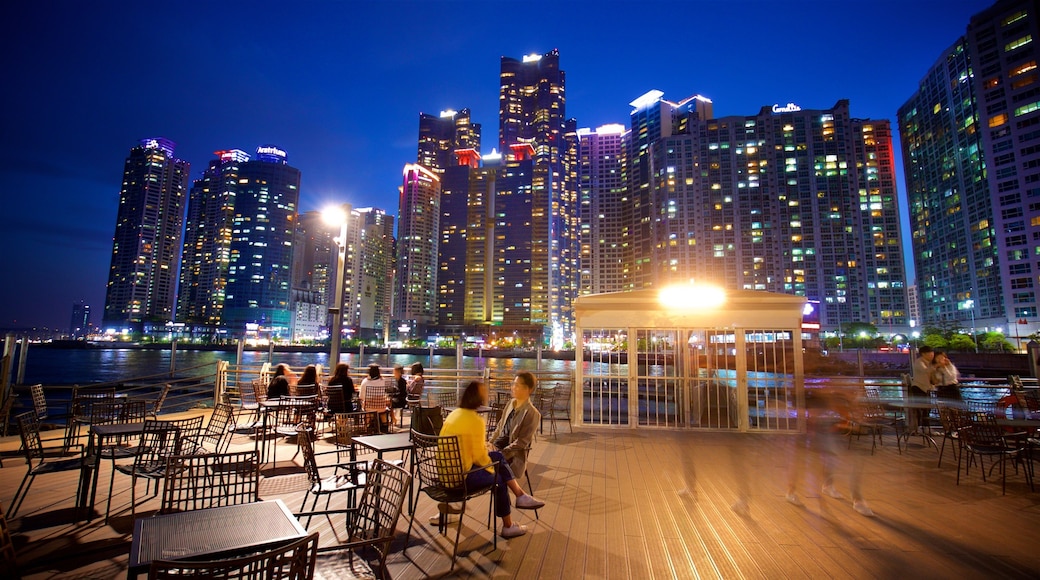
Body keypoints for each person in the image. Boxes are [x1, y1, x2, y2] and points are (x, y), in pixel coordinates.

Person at [437, 380, 545, 538]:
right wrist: (492, 467)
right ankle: (508, 524)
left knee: (496, 455)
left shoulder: (454, 415)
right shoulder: (475, 421)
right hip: (460, 477)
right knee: (499, 479)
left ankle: (520, 495)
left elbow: (467, 450)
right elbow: (480, 457)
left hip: (445, 473)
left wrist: (489, 453)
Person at [488, 372, 541, 485]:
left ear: (528, 389)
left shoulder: (532, 413)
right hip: (496, 448)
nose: (513, 388)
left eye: (517, 385)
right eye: (513, 384)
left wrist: (501, 452)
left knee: (480, 465)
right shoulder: (511, 403)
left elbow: (521, 442)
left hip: (511, 455)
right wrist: (489, 443)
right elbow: (499, 428)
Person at [908, 346, 936, 433]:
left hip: (926, 388)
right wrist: (937, 365)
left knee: (927, 409)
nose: (932, 354)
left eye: (932, 353)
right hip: (918, 388)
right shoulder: (918, 362)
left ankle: (926, 427)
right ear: (923, 354)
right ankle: (920, 428)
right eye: (930, 353)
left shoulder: (929, 363)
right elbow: (925, 371)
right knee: (920, 409)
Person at [360, 364, 393, 429]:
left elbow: (361, 396)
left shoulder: (365, 382)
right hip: (381, 407)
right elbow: (388, 392)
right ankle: (385, 426)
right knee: (383, 410)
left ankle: (367, 426)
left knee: (365, 406)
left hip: (369, 407)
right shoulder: (383, 381)